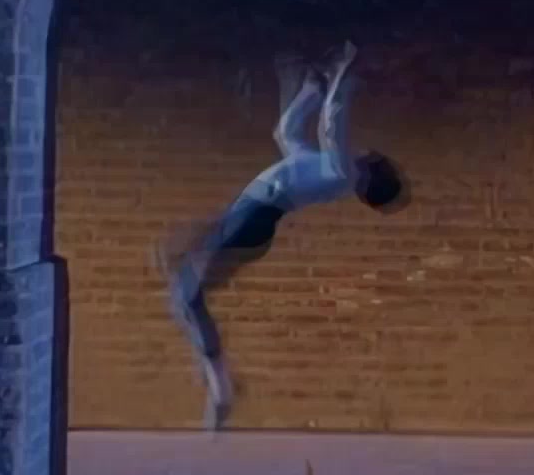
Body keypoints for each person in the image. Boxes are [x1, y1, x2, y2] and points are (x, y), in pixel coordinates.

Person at [155, 40, 403, 430]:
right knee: (181, 290)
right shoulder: (323, 167)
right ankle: (217, 379)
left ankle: (221, 388)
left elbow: (332, 122)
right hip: (246, 218)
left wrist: (343, 76)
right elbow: (286, 133)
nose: (364, 150)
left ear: (370, 173)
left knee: (187, 292)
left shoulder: (342, 172)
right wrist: (312, 90)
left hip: (253, 219)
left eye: (370, 156)